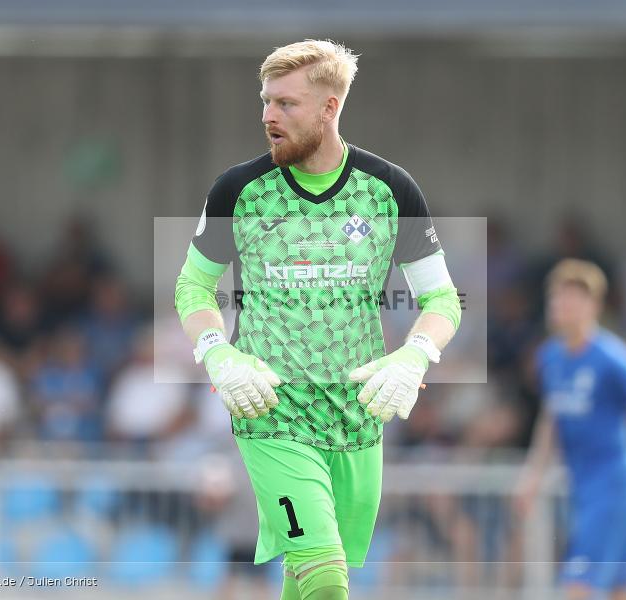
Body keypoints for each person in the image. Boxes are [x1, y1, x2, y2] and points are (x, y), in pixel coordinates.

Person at [174, 40, 462, 600]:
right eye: (265, 102)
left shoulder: (390, 190)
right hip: (271, 414)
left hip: (357, 420)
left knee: (314, 579)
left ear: (330, 108)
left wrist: (413, 356)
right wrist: (218, 351)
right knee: (324, 572)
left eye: (286, 104)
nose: (268, 116)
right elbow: (193, 285)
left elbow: (444, 300)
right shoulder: (238, 189)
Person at [514, 259, 626, 600]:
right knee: (624, 590)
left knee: (578, 586)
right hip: (583, 487)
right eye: (556, 298)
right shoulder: (549, 358)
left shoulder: (614, 358)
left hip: (615, 486)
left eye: (571, 299)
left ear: (593, 306)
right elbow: (552, 418)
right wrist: (533, 474)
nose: (561, 306)